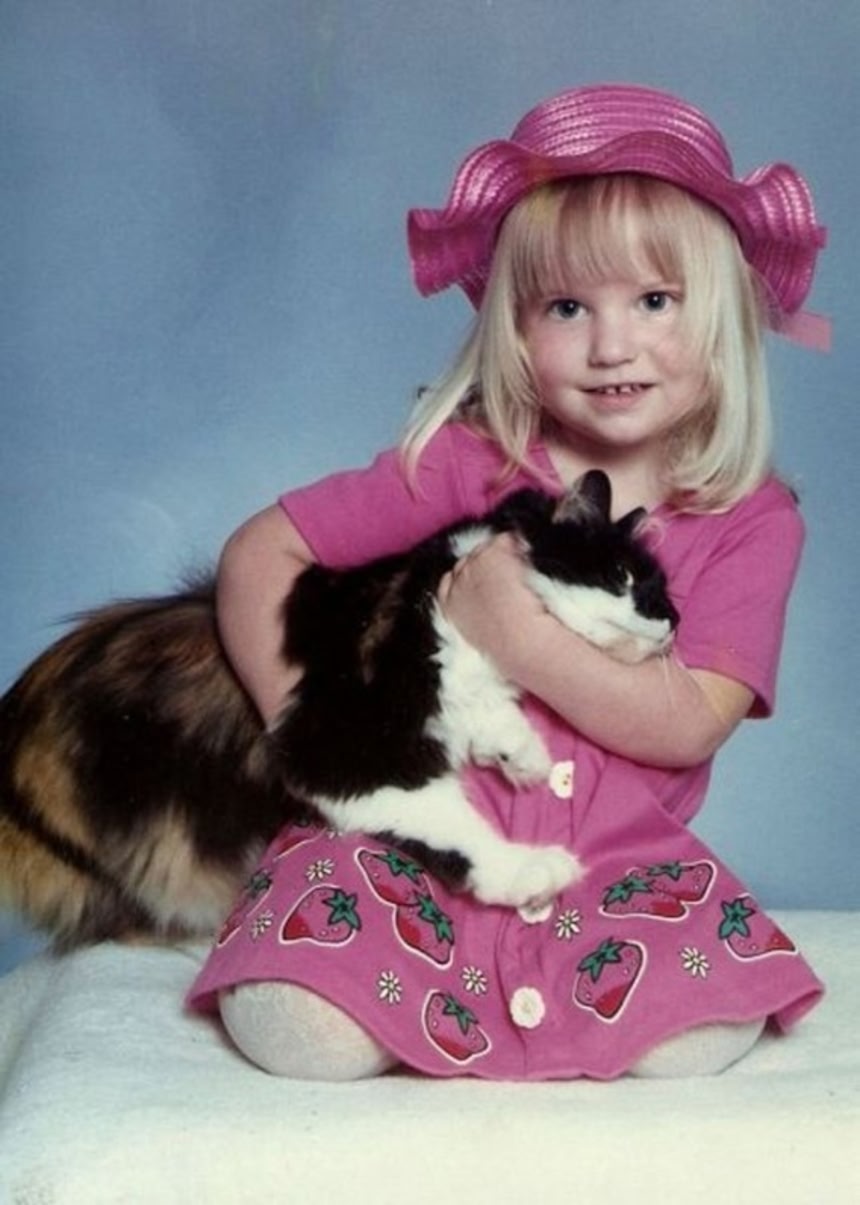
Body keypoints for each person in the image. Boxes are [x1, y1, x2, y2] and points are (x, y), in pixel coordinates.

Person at [187, 83, 828, 1081]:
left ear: (722, 314)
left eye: (654, 301)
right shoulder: (469, 462)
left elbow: (687, 721)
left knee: (695, 1034)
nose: (610, 345)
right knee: (299, 1027)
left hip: (608, 866)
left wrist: (513, 628)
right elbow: (258, 555)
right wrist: (315, 736)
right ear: (515, 326)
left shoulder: (752, 521)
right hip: (414, 836)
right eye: (566, 307)